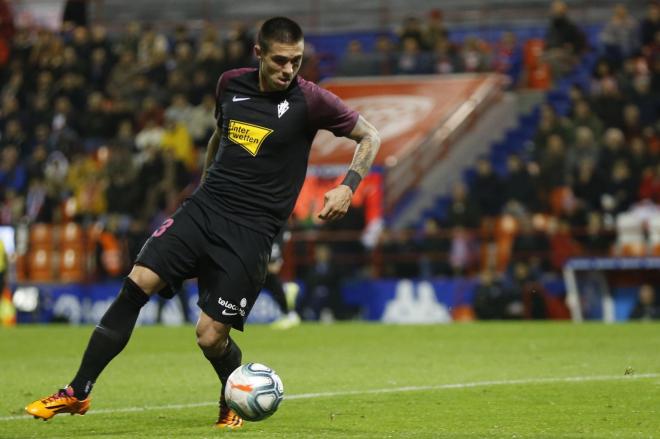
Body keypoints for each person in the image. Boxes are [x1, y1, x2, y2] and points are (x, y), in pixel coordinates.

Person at [25, 17, 381, 430]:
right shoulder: (230, 84)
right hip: (205, 208)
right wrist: (206, 183)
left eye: (296, 61)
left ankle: (230, 396)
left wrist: (349, 187)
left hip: (252, 231)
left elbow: (369, 135)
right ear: (259, 54)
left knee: (210, 336)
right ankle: (77, 392)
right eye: (281, 61)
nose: (289, 70)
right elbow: (221, 133)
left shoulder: (311, 101)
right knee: (137, 281)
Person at [265, 227, 302, 329]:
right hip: (272, 259)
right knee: (271, 283)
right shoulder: (283, 227)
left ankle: (289, 313)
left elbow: (279, 243)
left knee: (272, 282)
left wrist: (275, 260)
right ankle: (289, 313)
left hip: (277, 263)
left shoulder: (281, 226)